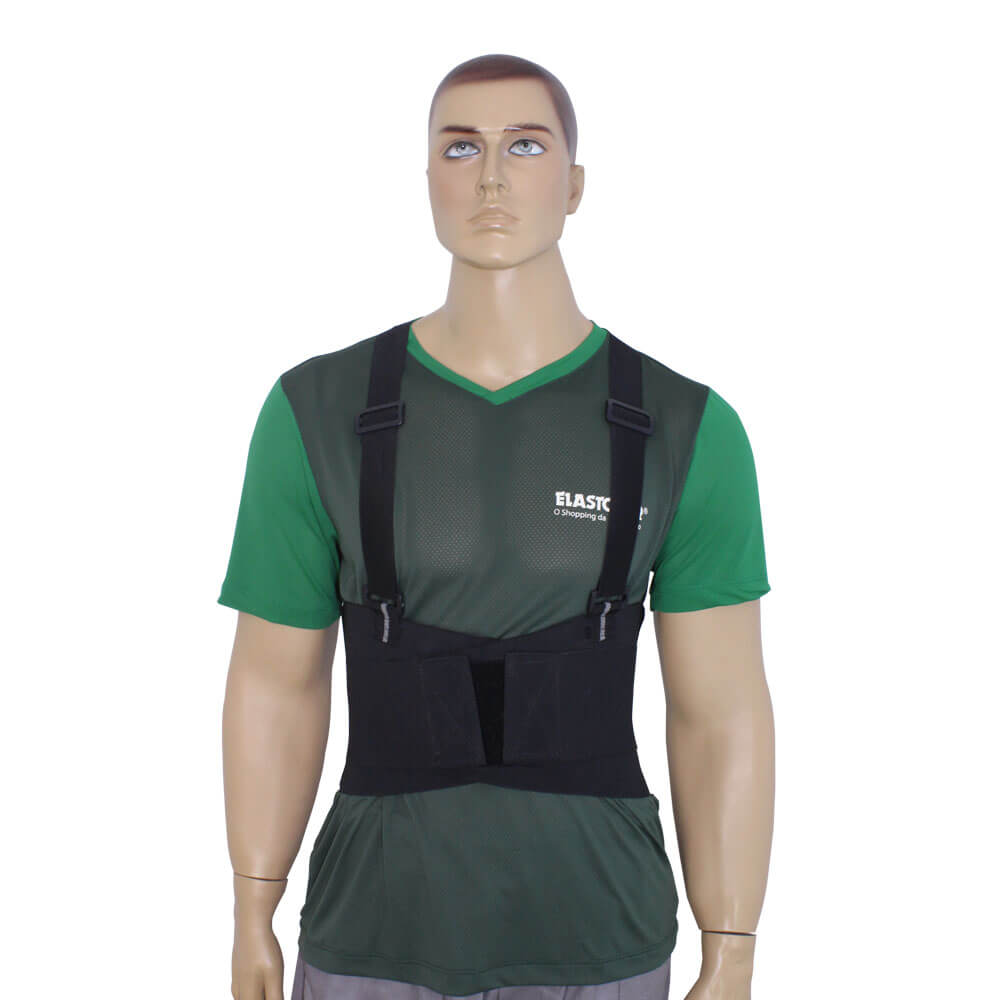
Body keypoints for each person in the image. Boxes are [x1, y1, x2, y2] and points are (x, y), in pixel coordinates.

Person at [219, 53, 775, 1000]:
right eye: (459, 148)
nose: (489, 177)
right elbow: (276, 683)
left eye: (524, 146)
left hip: (602, 938)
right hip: (371, 937)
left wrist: (733, 946)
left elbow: (720, 712)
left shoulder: (687, 428)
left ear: (575, 185)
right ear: (426, 181)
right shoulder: (315, 412)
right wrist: (249, 912)